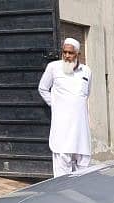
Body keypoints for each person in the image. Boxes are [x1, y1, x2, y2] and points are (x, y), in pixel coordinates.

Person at [38, 38, 93, 177]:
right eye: (65, 52)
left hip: (81, 131)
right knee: (62, 175)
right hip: (62, 131)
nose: (67, 56)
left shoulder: (86, 71)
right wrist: (55, 105)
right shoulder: (53, 67)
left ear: (77, 54)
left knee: (84, 171)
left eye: (71, 53)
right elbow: (43, 88)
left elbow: (86, 94)